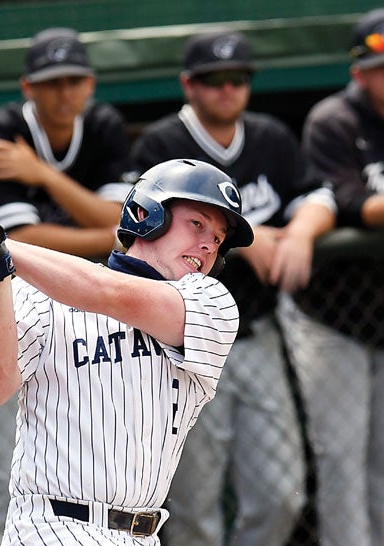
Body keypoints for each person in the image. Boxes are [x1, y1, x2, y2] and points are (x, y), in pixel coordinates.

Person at [0, 158, 254, 545]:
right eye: (197, 223)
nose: (206, 244)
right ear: (147, 215)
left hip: (142, 533)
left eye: (217, 238)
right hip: (52, 527)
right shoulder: (40, 294)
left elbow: (106, 291)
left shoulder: (211, 305)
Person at [130, 31, 336, 546]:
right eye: (213, 80)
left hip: (256, 334)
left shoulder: (270, 136)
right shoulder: (161, 146)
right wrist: (250, 240)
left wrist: (304, 230)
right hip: (180, 344)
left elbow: (318, 194)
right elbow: (134, 227)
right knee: (194, 504)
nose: (227, 89)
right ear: (188, 85)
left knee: (282, 494)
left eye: (238, 79)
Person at [0, 27, 135, 546]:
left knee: (91, 474)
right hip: (4, 318)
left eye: (74, 80)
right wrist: (106, 233)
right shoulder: (2, 127)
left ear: (90, 84)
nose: (64, 93)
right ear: (27, 86)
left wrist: (43, 175)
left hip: (83, 326)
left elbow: (121, 218)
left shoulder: (103, 125)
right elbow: (16, 240)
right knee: (3, 477)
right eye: (51, 82)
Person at [276, 9, 384, 546]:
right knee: (342, 458)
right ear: (359, 72)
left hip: (381, 315)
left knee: (383, 461)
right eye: (380, 68)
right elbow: (356, 205)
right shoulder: (333, 120)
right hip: (330, 316)